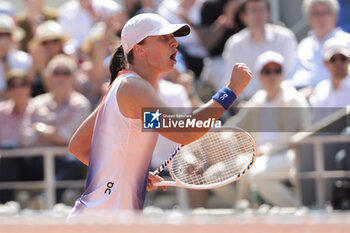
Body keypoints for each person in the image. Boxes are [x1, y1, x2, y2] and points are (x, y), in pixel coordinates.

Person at [67, 13, 252, 217]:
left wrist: (129, 173)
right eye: (164, 38)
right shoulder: (133, 88)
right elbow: (185, 132)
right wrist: (230, 91)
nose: (174, 43)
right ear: (139, 49)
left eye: (173, 37)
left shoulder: (123, 86)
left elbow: (78, 146)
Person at [219, 51, 311, 207]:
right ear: (260, 75)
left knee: (257, 173)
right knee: (216, 175)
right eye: (267, 71)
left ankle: (296, 209)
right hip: (259, 155)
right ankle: (250, 208)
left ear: (283, 74)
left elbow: (298, 136)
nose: (272, 76)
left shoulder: (294, 99)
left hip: (290, 154)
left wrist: (263, 152)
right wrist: (220, 135)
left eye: (277, 71)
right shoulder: (258, 99)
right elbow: (237, 124)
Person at [222, 0, 297, 100]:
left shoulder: (285, 38)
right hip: (245, 105)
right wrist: (238, 105)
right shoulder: (234, 44)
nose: (259, 14)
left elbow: (291, 75)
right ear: (243, 16)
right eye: (253, 10)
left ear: (268, 13)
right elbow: (229, 81)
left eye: (262, 10)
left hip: (281, 101)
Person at [290, 0, 350, 90]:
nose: (321, 18)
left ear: (336, 16)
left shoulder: (347, 41)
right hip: (300, 95)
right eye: (316, 14)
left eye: (326, 12)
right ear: (308, 19)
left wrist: (316, 92)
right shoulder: (303, 45)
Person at [309, 37, 350, 122]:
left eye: (342, 58)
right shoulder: (320, 89)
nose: (338, 63)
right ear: (325, 63)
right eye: (333, 59)